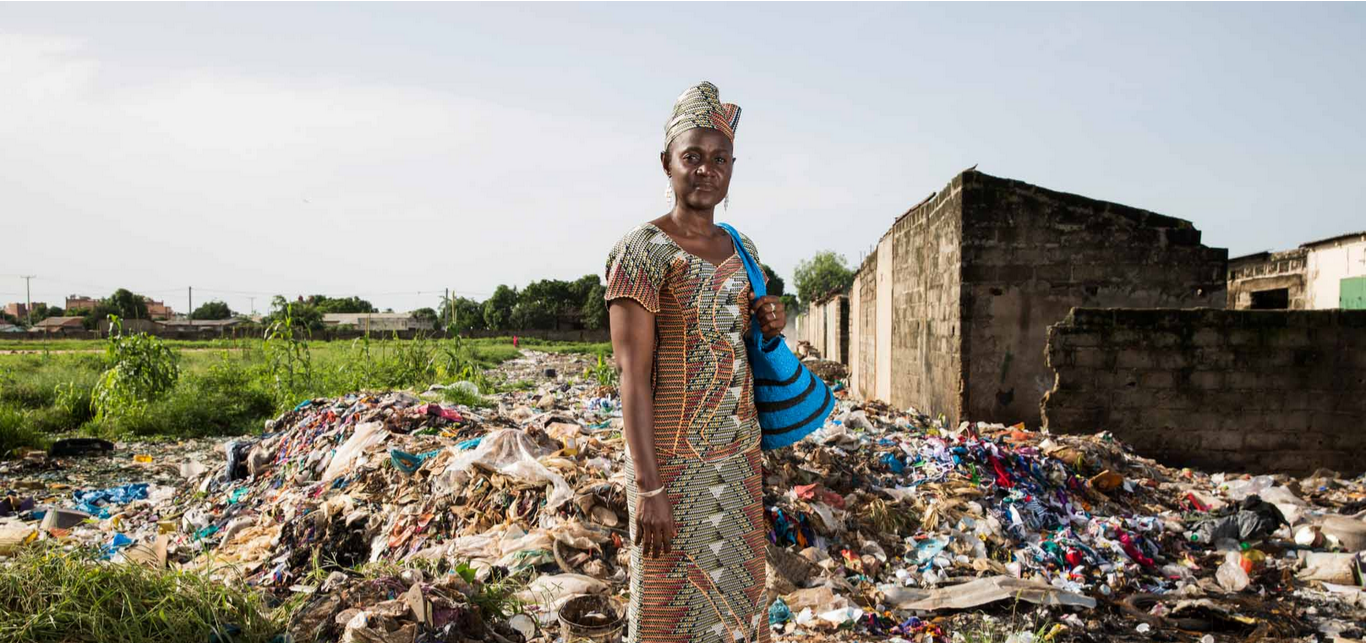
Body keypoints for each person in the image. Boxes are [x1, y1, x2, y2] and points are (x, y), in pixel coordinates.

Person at [604, 81, 786, 643]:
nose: (706, 170)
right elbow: (631, 379)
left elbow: (745, 347)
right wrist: (649, 487)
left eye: (719, 159)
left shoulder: (743, 248)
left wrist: (769, 323)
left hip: (737, 462)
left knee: (739, 606)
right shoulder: (642, 251)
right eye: (692, 158)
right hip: (672, 468)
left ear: (732, 167)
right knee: (667, 607)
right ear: (667, 164)